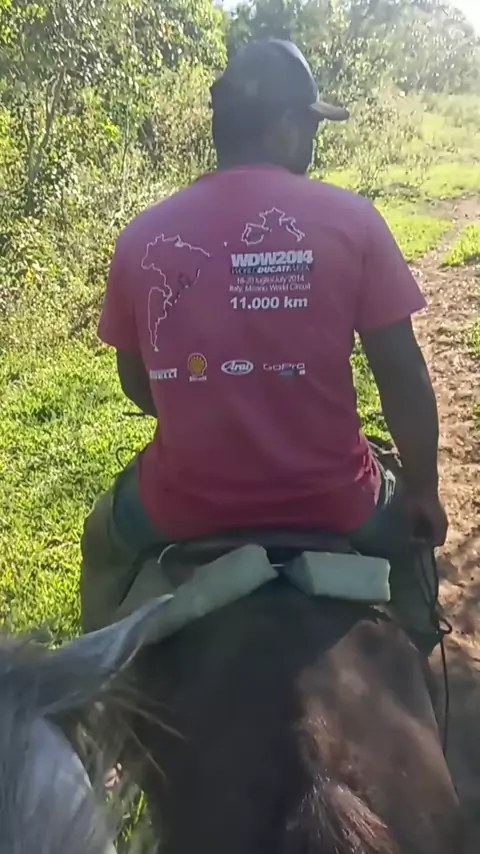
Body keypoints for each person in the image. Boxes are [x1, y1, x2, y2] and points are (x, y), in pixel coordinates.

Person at [81, 38, 447, 653]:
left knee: (102, 541)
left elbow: (136, 384)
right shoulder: (354, 220)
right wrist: (425, 490)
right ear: (283, 128)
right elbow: (401, 374)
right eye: (310, 126)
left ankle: (95, 677)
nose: (312, 141)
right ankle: (427, 671)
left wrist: (209, 405)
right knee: (413, 563)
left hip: (180, 502)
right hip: (340, 500)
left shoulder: (142, 237)